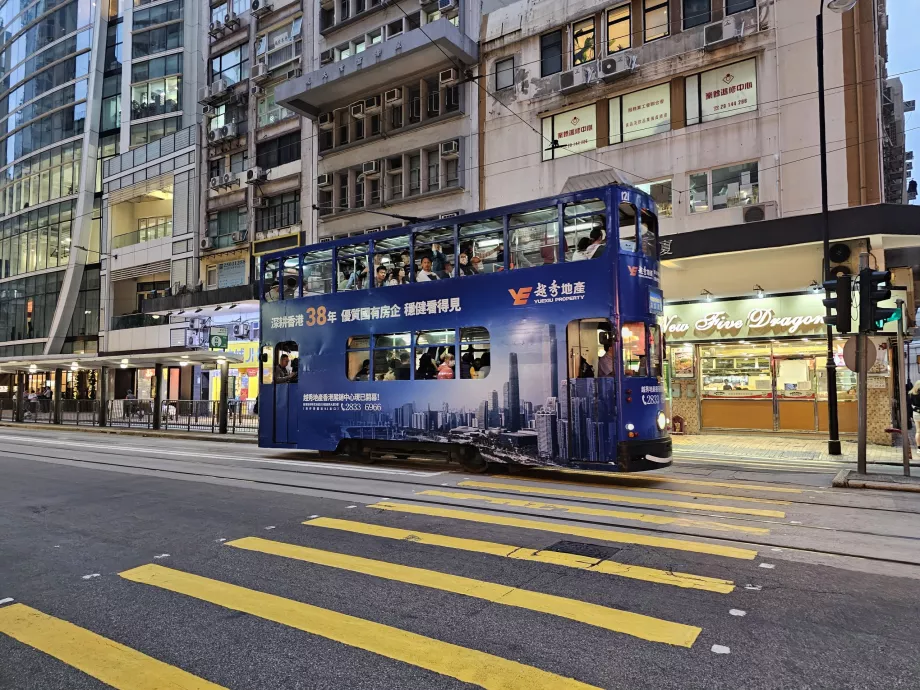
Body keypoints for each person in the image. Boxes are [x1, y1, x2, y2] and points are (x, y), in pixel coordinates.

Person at [909, 380, 920, 448]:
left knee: (918, 431)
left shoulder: (911, 394)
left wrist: (910, 416)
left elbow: (909, 405)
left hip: (915, 413)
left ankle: (919, 448)